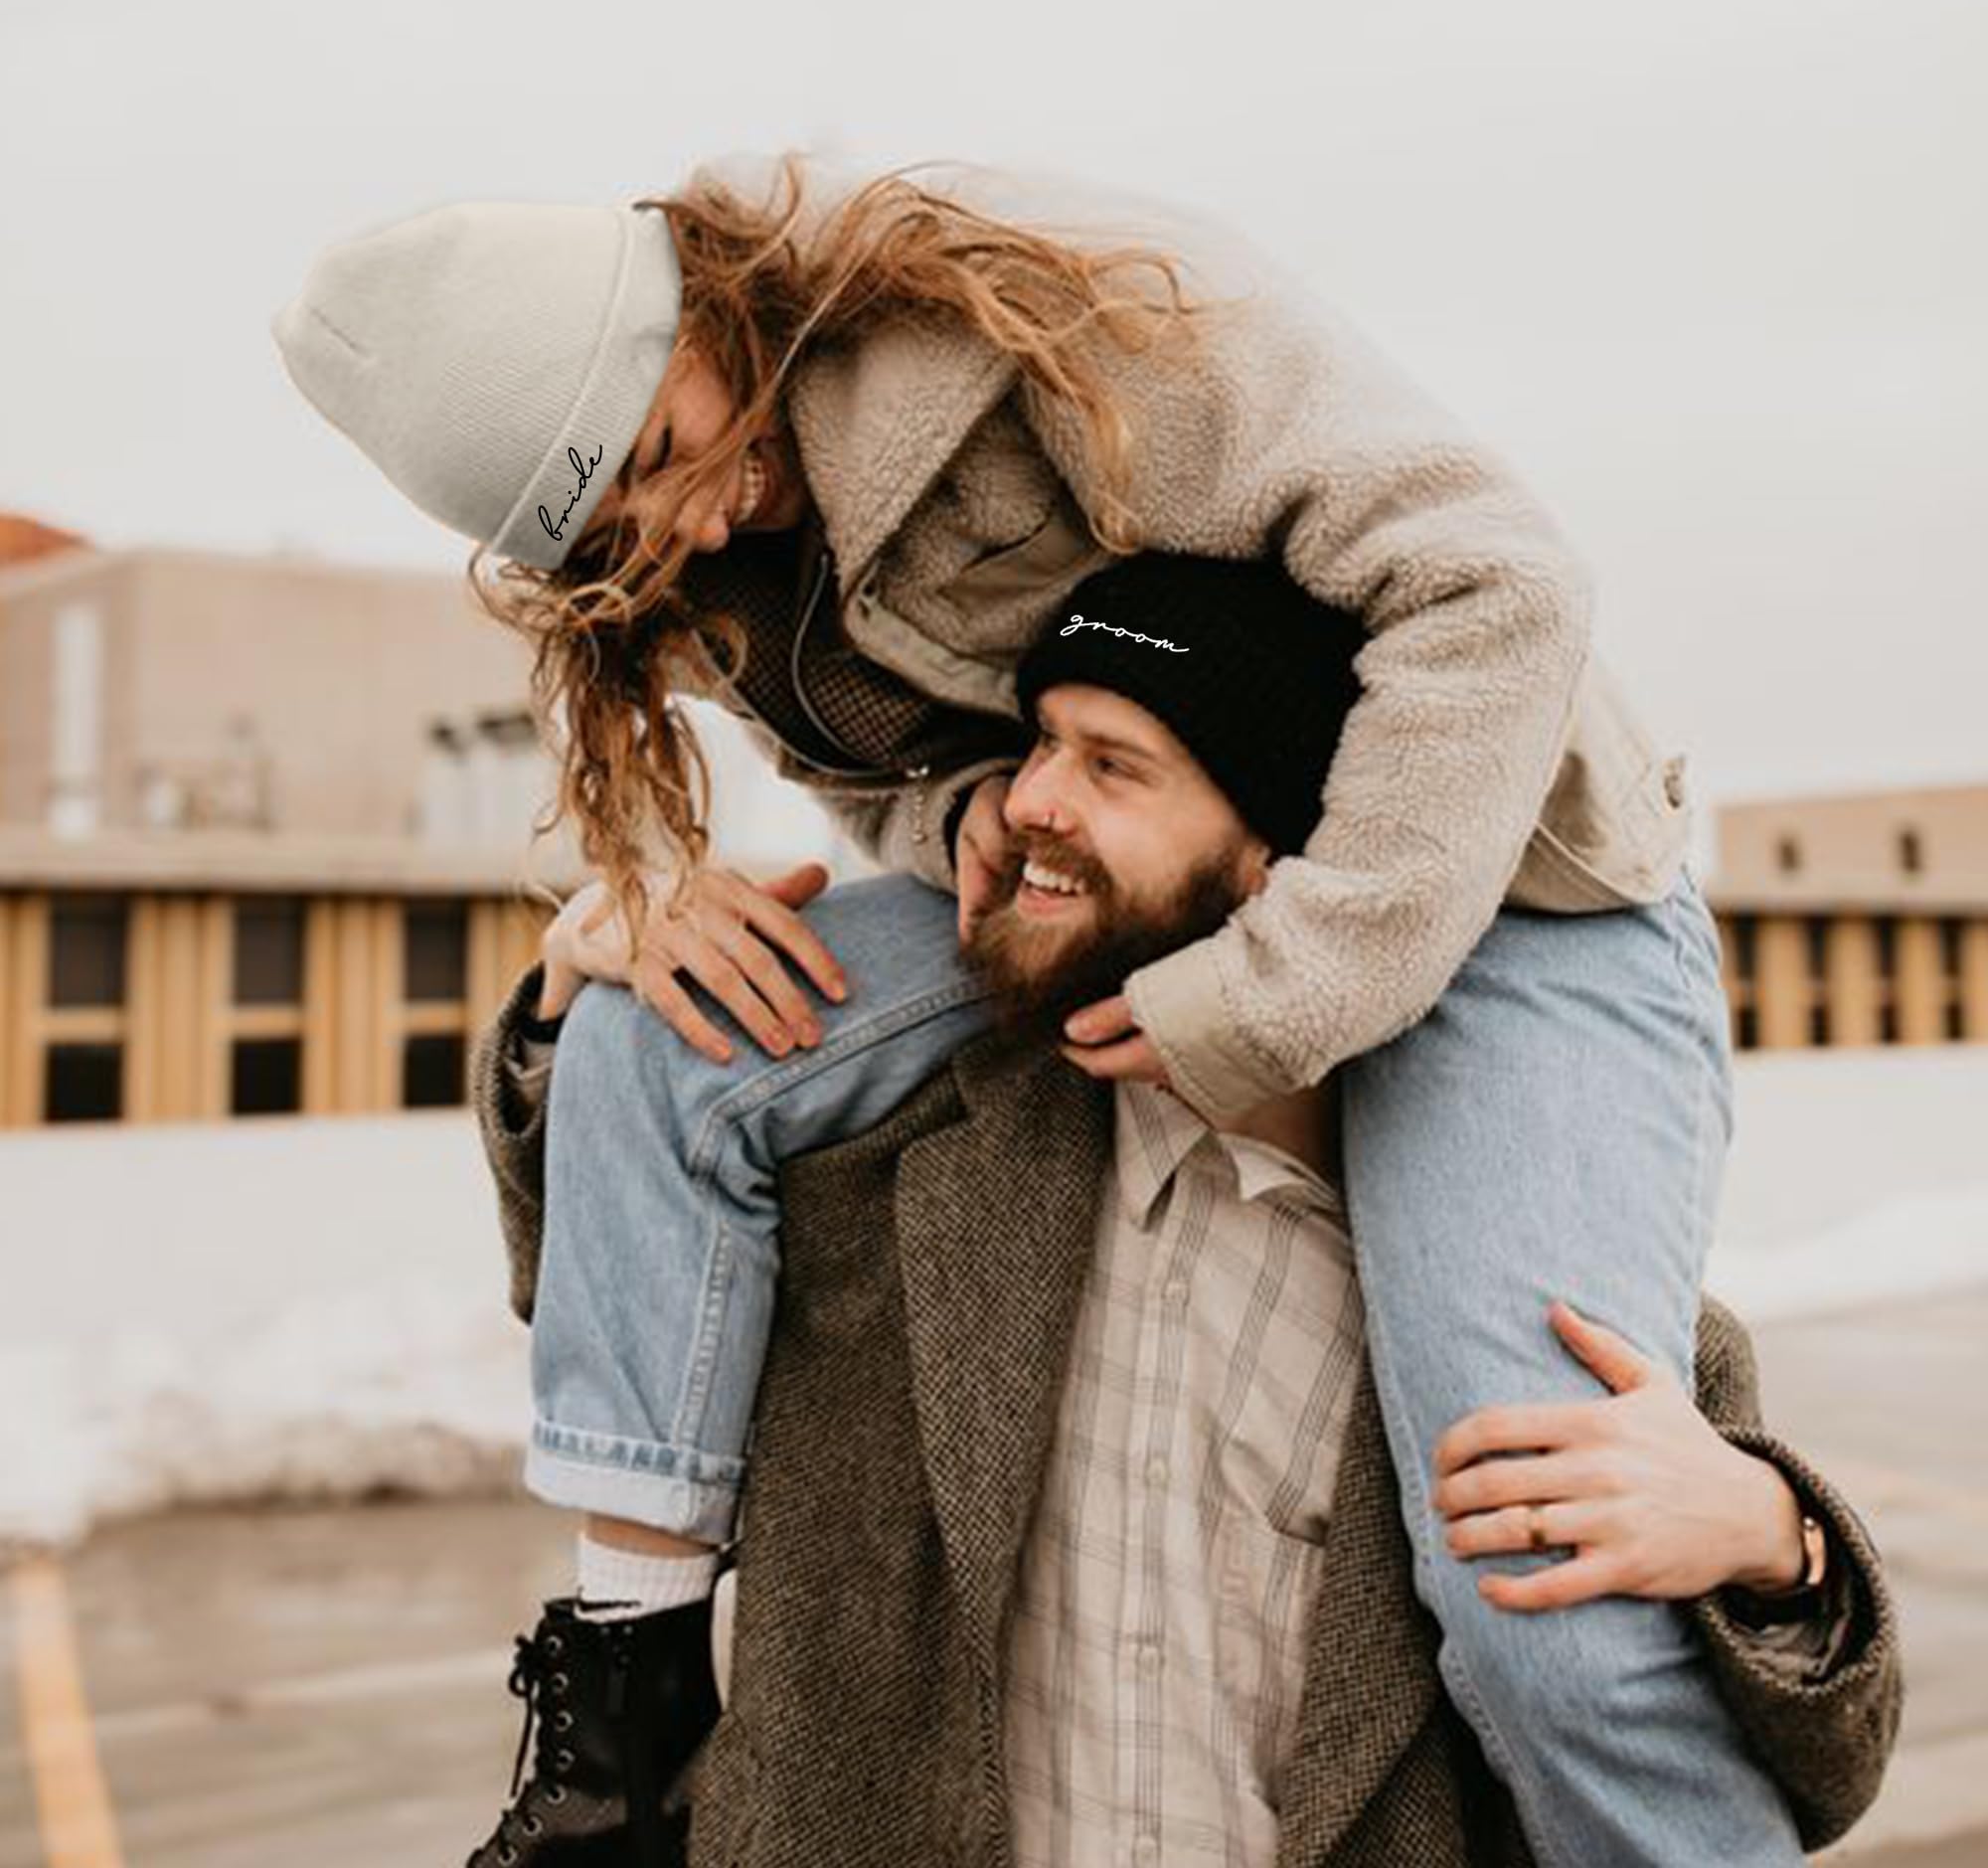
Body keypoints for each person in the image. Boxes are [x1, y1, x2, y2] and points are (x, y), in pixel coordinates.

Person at [275, 155, 1795, 1863]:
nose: (686, 527)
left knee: (1543, 1588)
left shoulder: (1044, 304)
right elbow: (893, 791)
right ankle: (623, 1724)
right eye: (621, 534)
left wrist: (1284, 992)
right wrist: (844, 863)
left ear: (687, 312)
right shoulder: (724, 559)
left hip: (1515, 884)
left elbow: (1496, 582)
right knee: (658, 1033)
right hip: (1152, 884)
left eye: (655, 456)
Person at [469, 555, 1899, 1867]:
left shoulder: (1528, 1296)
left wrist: (1783, 1543)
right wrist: (584, 1007)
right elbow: (604, 1274)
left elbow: (1805, 1779)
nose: (1025, 801)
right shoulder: (898, 1187)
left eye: (1114, 765)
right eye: (1039, 743)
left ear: (1282, 866)